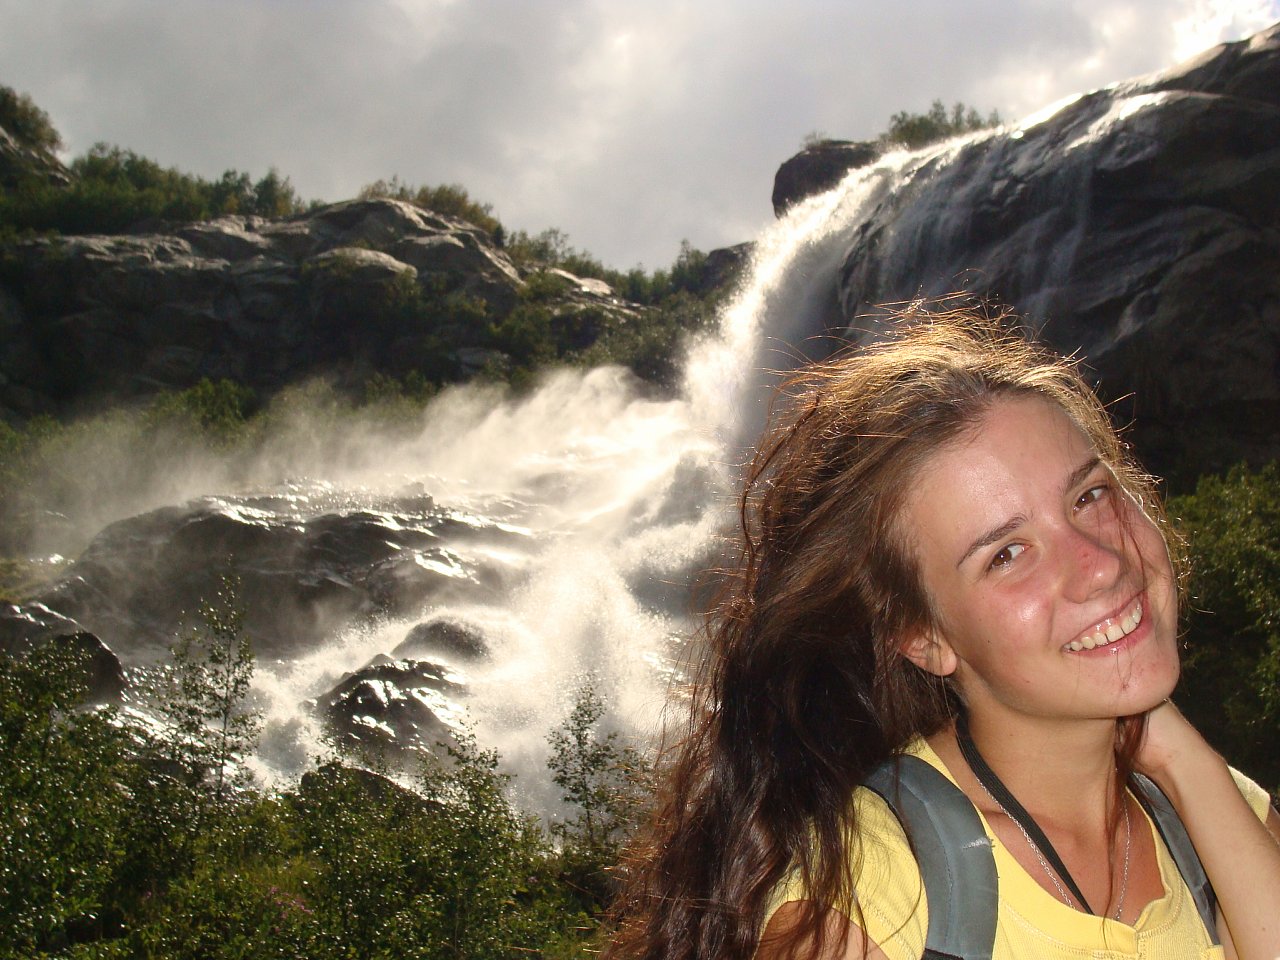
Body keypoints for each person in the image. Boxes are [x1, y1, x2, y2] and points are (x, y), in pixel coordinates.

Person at [606, 306, 1280, 960]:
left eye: (1089, 496)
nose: (1101, 565)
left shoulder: (1227, 814)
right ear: (924, 638)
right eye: (1006, 554)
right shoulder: (874, 903)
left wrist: (1186, 760)